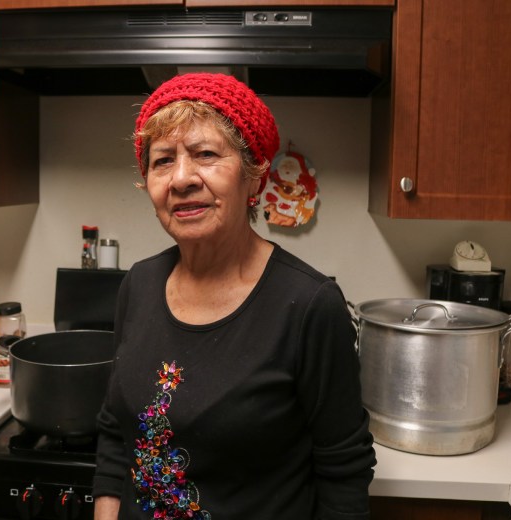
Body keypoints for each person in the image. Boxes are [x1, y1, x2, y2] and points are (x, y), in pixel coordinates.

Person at [93, 72, 376, 520]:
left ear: (254, 178)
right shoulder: (139, 285)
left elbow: (343, 472)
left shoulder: (308, 305)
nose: (182, 178)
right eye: (163, 160)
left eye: (206, 154)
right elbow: (115, 432)